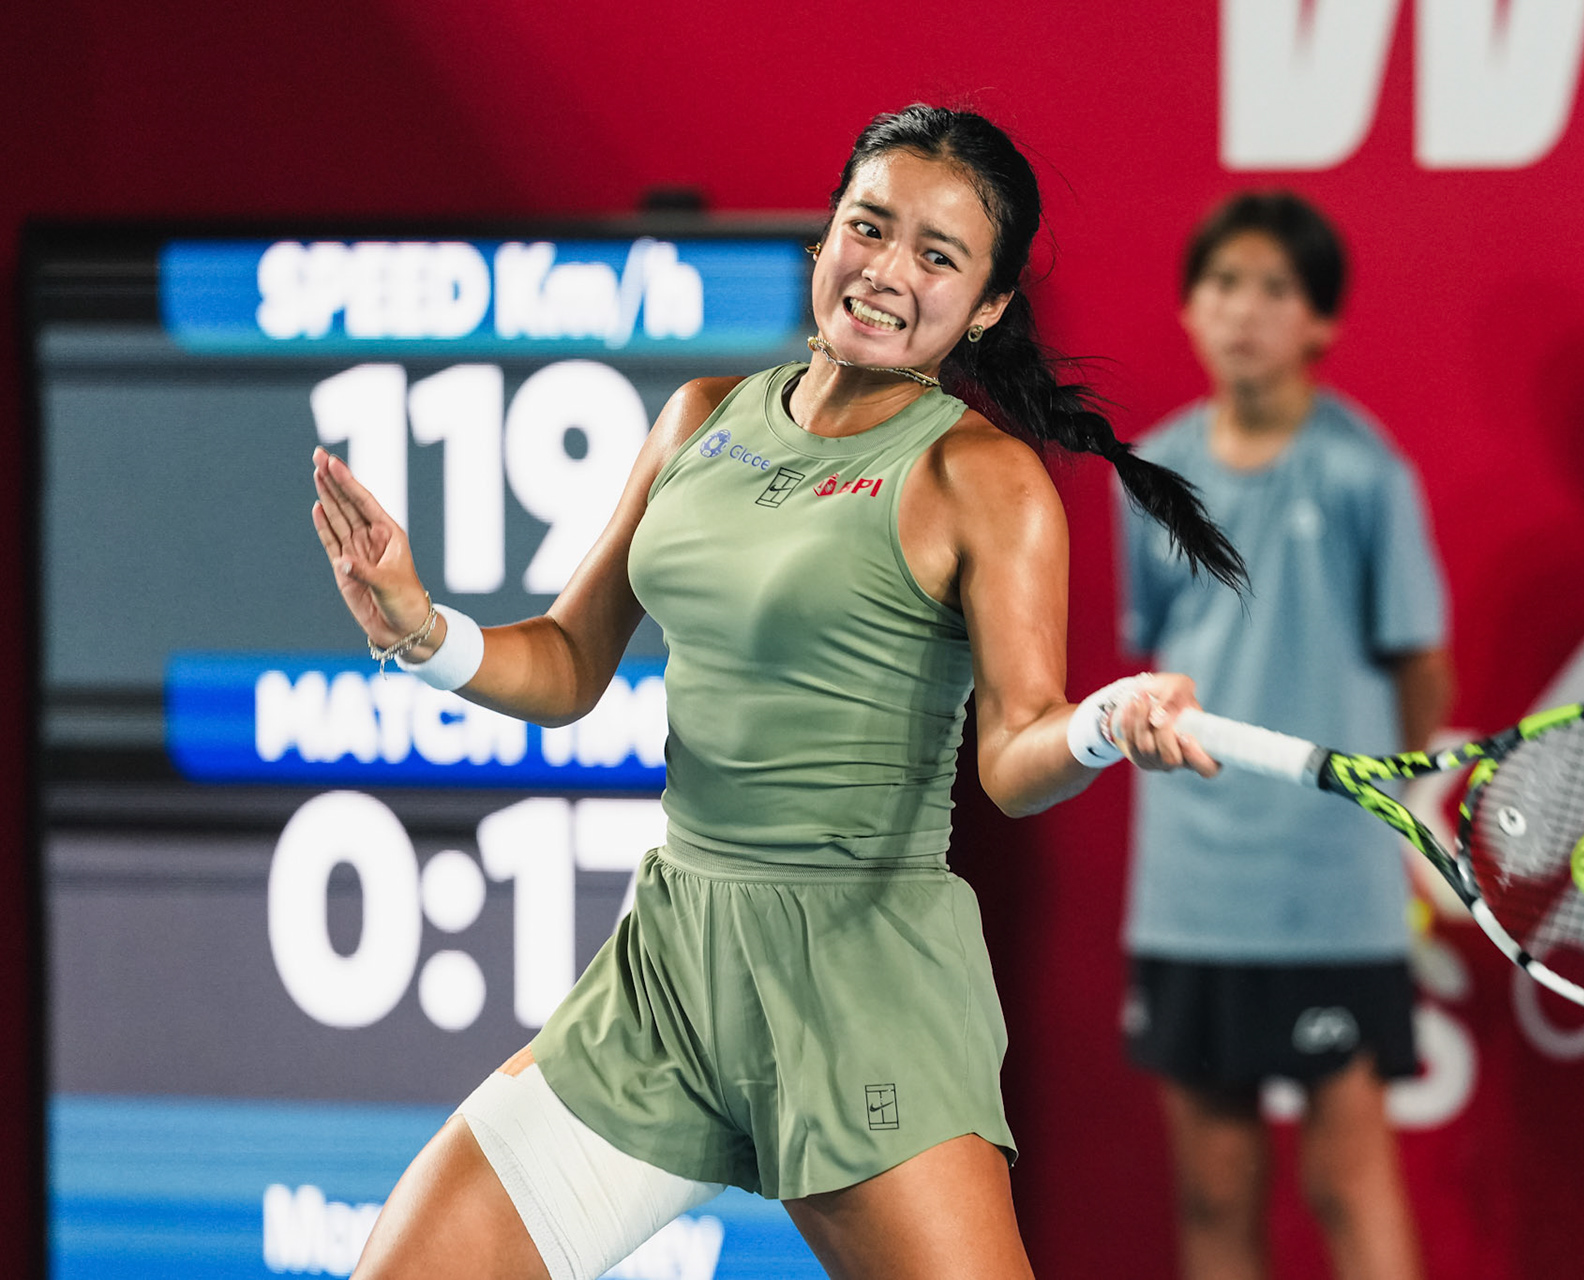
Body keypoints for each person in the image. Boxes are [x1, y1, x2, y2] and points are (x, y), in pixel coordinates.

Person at [310, 105, 1246, 1280]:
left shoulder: (986, 479)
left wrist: (1106, 725)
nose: (887, 270)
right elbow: (566, 661)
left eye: (938, 255)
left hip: (863, 986)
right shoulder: (700, 417)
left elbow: (1015, 753)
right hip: (669, 974)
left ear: (989, 305)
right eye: (870, 225)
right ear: (828, 237)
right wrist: (424, 630)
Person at [1117, 192, 1454, 1280]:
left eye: (1273, 288)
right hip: (1190, 888)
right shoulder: (1152, 477)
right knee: (1212, 1188)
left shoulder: (1367, 475)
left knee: (1344, 1179)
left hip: (1327, 888)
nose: (1242, 311)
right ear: (1187, 308)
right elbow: (1152, 659)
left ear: (1320, 323)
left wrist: (1380, 831)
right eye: (1221, 284)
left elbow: (1419, 664)